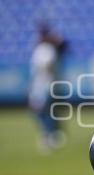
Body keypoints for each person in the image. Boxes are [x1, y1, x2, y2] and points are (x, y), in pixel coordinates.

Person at [29, 24, 67, 153]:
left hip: (46, 85)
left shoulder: (47, 49)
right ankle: (52, 133)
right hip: (40, 85)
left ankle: (51, 135)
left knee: (45, 111)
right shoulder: (42, 48)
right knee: (45, 111)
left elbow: (47, 66)